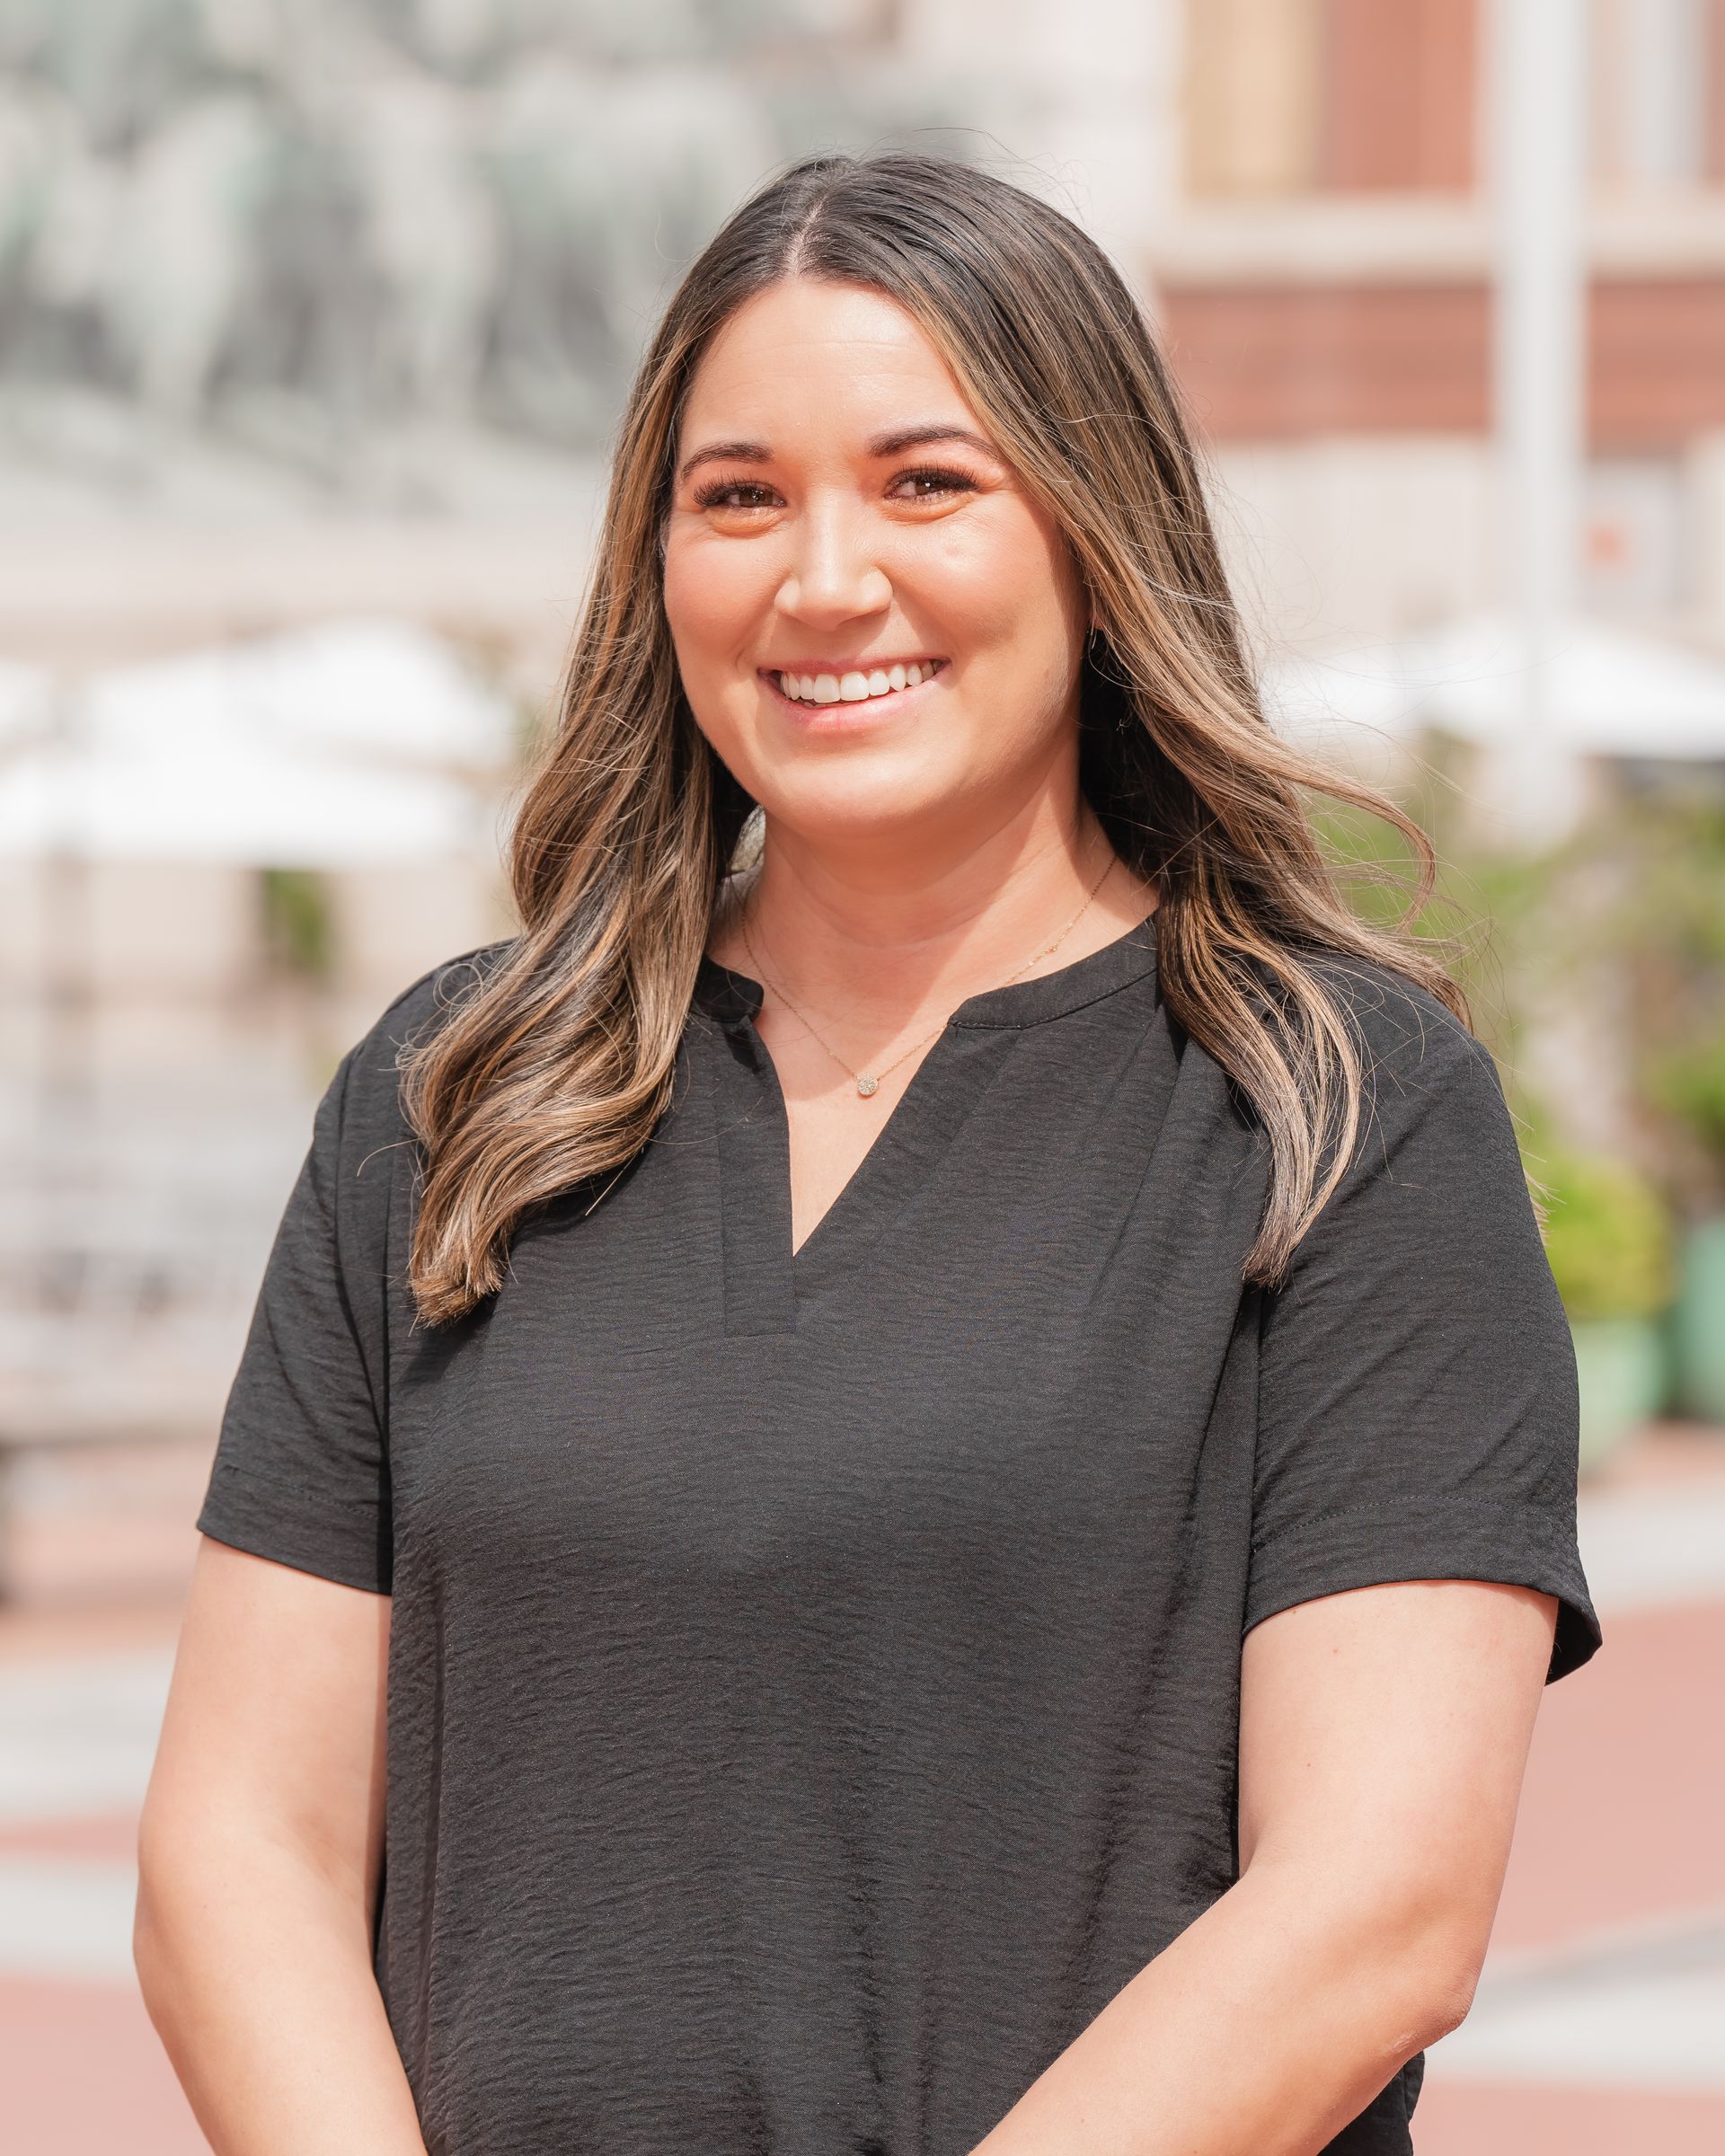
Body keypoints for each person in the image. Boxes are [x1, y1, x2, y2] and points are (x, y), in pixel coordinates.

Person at [135, 152, 1601, 2156]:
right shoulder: (459, 1095)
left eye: (928, 483)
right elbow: (239, 1849)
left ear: (1099, 531)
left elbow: (1375, 1914)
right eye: (740, 498)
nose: (824, 580)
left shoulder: (1343, 1111)